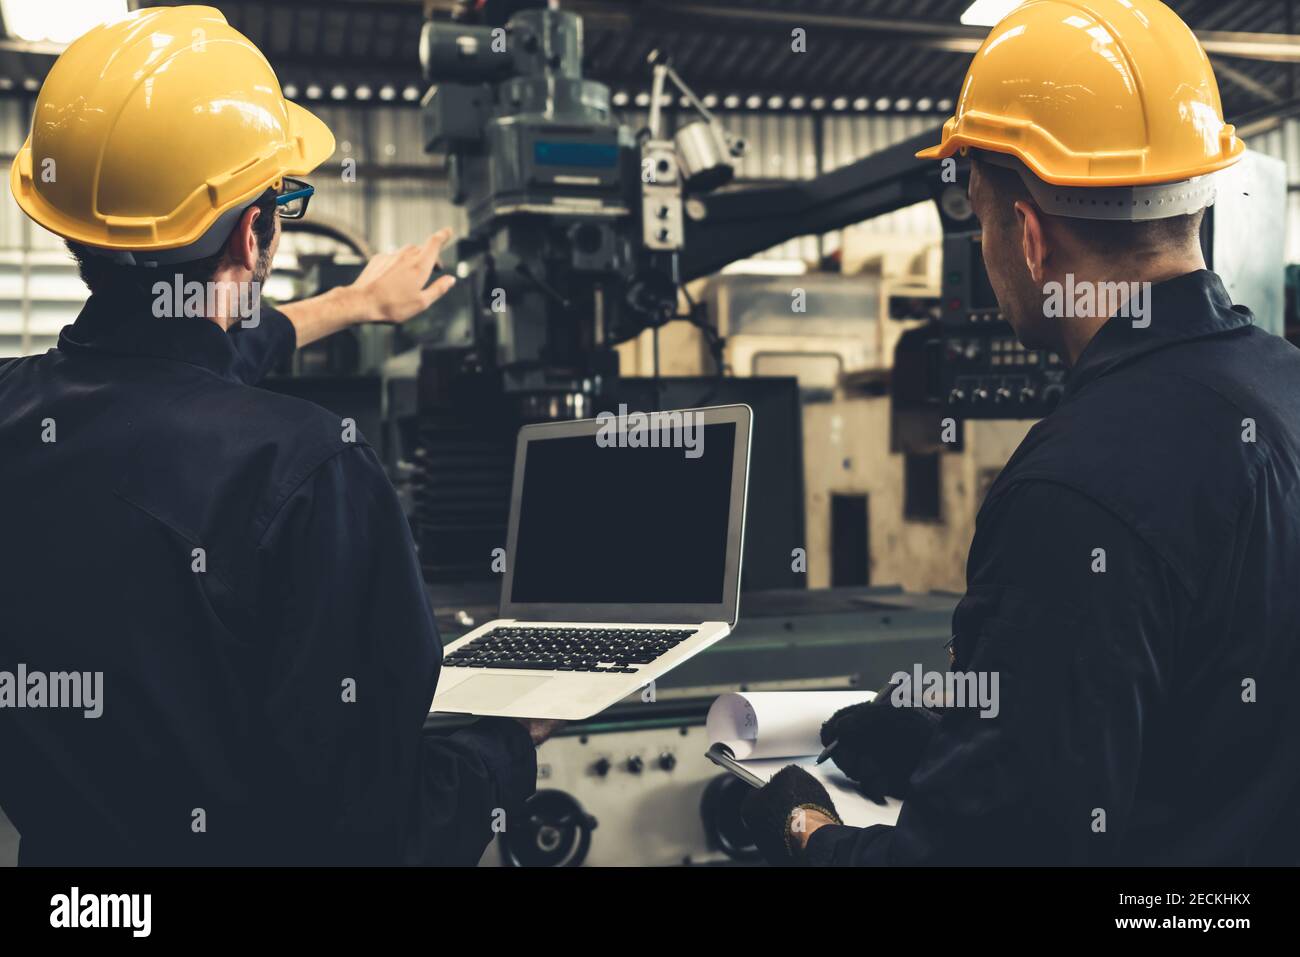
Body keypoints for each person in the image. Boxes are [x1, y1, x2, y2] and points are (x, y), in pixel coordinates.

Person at [742, 0, 1300, 866]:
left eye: (981, 216)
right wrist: (959, 735)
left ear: (1030, 237)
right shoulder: (1286, 387)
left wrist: (806, 830)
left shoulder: (1071, 490)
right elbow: (1196, 733)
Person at [0, 6, 555, 865]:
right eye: (281, 203)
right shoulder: (312, 471)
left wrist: (357, 304)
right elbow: (383, 836)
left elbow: (187, 360)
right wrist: (514, 740)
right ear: (256, 231)